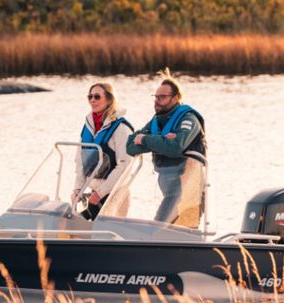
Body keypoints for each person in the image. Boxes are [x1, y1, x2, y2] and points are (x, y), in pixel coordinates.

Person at [126, 69, 207, 226]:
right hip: (170, 191)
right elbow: (130, 146)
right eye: (155, 97)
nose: (157, 101)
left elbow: (175, 148)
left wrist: (145, 140)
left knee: (159, 230)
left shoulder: (189, 119)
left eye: (162, 97)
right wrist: (160, 140)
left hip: (190, 191)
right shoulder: (156, 122)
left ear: (175, 98)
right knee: (164, 232)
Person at [72, 82, 133, 220]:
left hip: (115, 195)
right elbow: (80, 162)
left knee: (103, 233)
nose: (92, 100)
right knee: (75, 223)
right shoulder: (88, 127)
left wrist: (101, 193)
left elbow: (124, 166)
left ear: (110, 99)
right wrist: (77, 189)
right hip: (94, 194)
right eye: (90, 97)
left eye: (97, 96)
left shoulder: (122, 129)